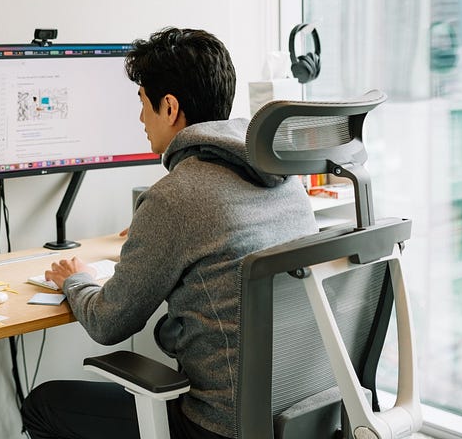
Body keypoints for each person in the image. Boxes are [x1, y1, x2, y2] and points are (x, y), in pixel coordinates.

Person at [20, 27, 318, 439]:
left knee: (43, 404)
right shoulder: (285, 176)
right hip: (298, 410)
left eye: (143, 103)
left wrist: (77, 280)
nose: (141, 118)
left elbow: (108, 324)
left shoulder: (175, 198)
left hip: (219, 425)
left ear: (170, 106)